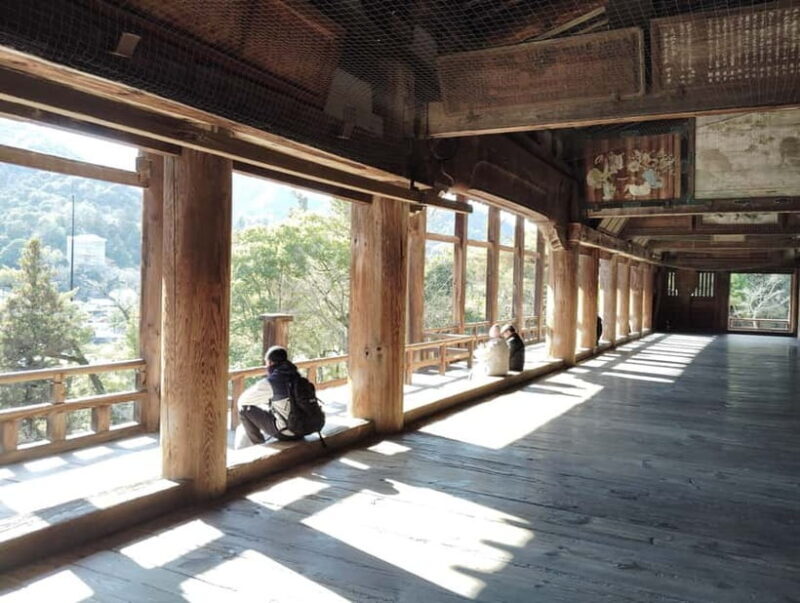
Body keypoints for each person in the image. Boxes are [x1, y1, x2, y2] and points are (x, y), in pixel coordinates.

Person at [238, 345, 303, 445]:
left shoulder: (272, 382)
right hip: (304, 429)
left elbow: (242, 400)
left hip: (288, 432)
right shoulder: (297, 376)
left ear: (270, 362)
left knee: (244, 409)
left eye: (266, 362)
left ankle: (258, 446)